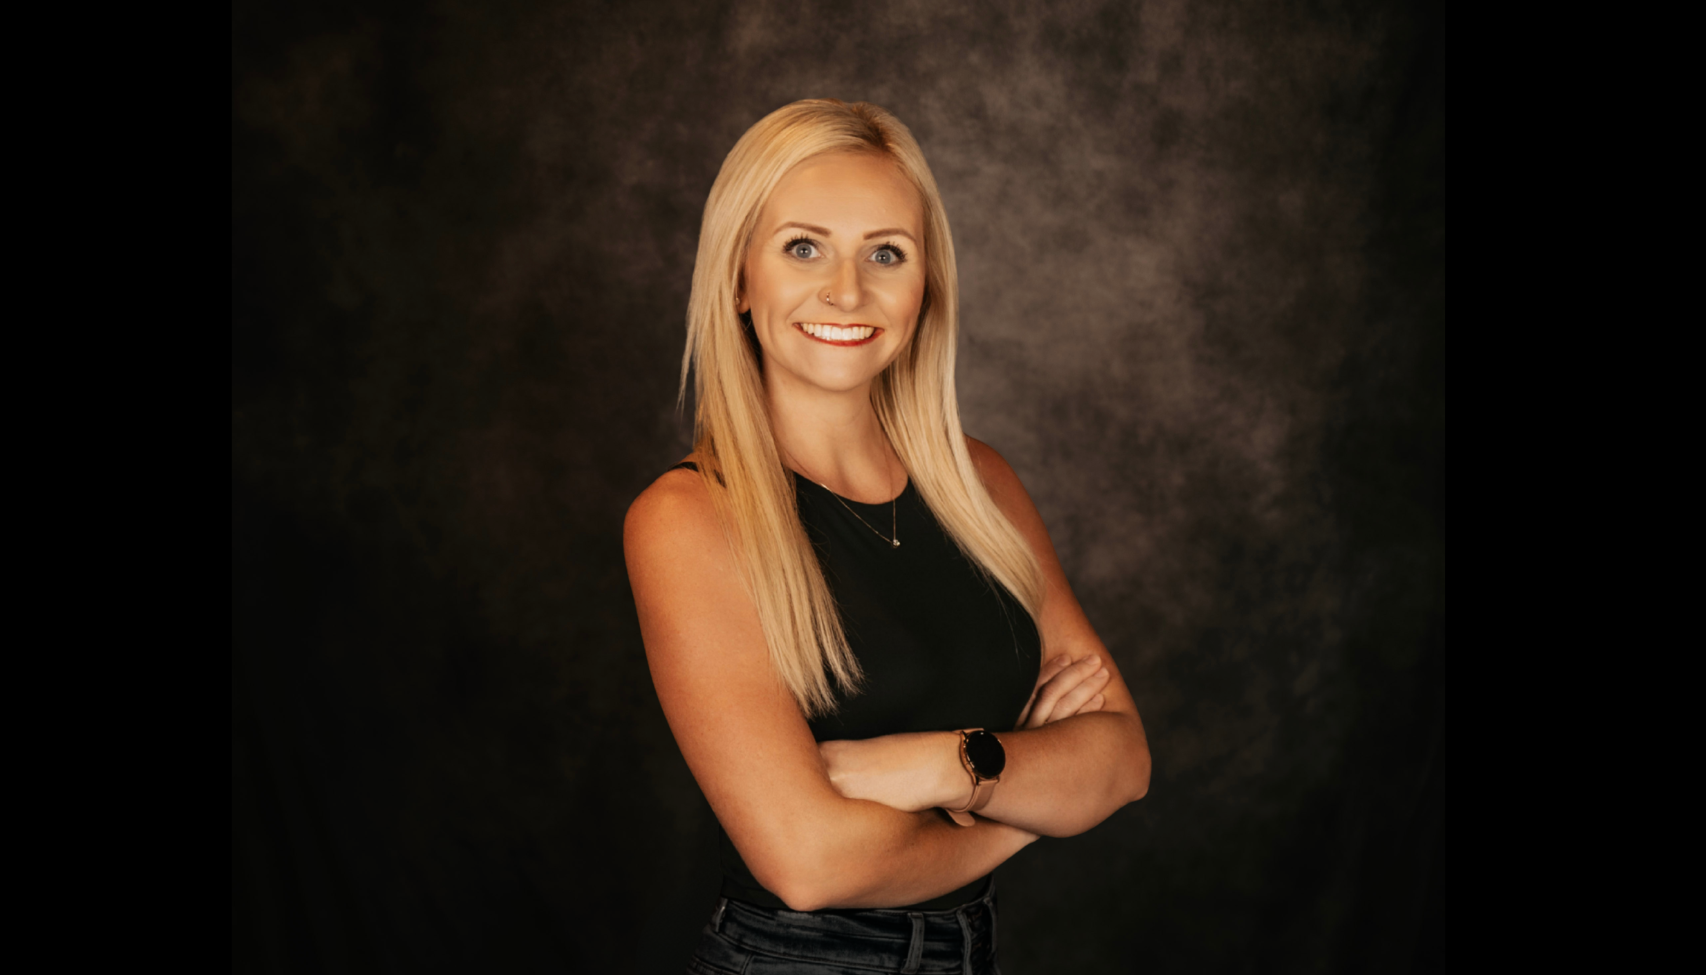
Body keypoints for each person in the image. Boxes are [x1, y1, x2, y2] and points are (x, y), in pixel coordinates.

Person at [624, 98, 1151, 975]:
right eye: (803, 246)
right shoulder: (688, 518)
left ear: (924, 285)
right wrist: (1028, 801)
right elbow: (811, 862)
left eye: (886, 253)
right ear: (739, 280)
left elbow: (1122, 758)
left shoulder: (982, 484)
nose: (847, 290)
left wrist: (942, 766)